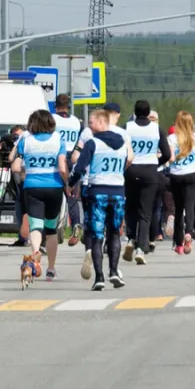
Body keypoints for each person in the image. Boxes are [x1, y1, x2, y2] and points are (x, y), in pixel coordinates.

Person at [69, 108, 130, 290]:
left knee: (97, 236)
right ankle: (113, 271)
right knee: (114, 233)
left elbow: (79, 168)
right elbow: (126, 162)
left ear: (102, 122)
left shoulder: (93, 143)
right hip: (118, 192)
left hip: (98, 192)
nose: (90, 126)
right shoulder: (122, 143)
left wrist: (71, 183)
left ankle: (100, 277)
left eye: (92, 122)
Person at [10, 110, 66, 283]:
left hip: (32, 186)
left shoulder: (25, 141)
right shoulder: (58, 140)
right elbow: (62, 168)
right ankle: (50, 269)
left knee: (35, 227)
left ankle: (35, 256)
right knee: (51, 230)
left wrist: (27, 172)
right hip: (54, 186)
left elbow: (15, 167)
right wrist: (69, 184)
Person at [121, 100, 167, 264]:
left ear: (135, 111)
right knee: (146, 212)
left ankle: (130, 239)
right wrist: (156, 164)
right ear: (148, 113)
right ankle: (141, 248)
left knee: (131, 207)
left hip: (131, 170)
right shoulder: (156, 129)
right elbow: (167, 153)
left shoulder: (127, 127)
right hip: (150, 170)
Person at [164, 111, 195, 255]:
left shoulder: (172, 138)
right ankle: (189, 233)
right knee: (190, 207)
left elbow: (171, 159)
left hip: (176, 176)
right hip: (192, 175)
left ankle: (179, 244)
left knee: (179, 209)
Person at [51, 93, 85, 246]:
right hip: (73, 157)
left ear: (55, 105)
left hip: (58, 156)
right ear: (69, 106)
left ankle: (52, 228)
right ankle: (76, 224)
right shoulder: (76, 122)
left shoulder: (52, 120)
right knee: (72, 195)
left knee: (53, 192)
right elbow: (81, 141)